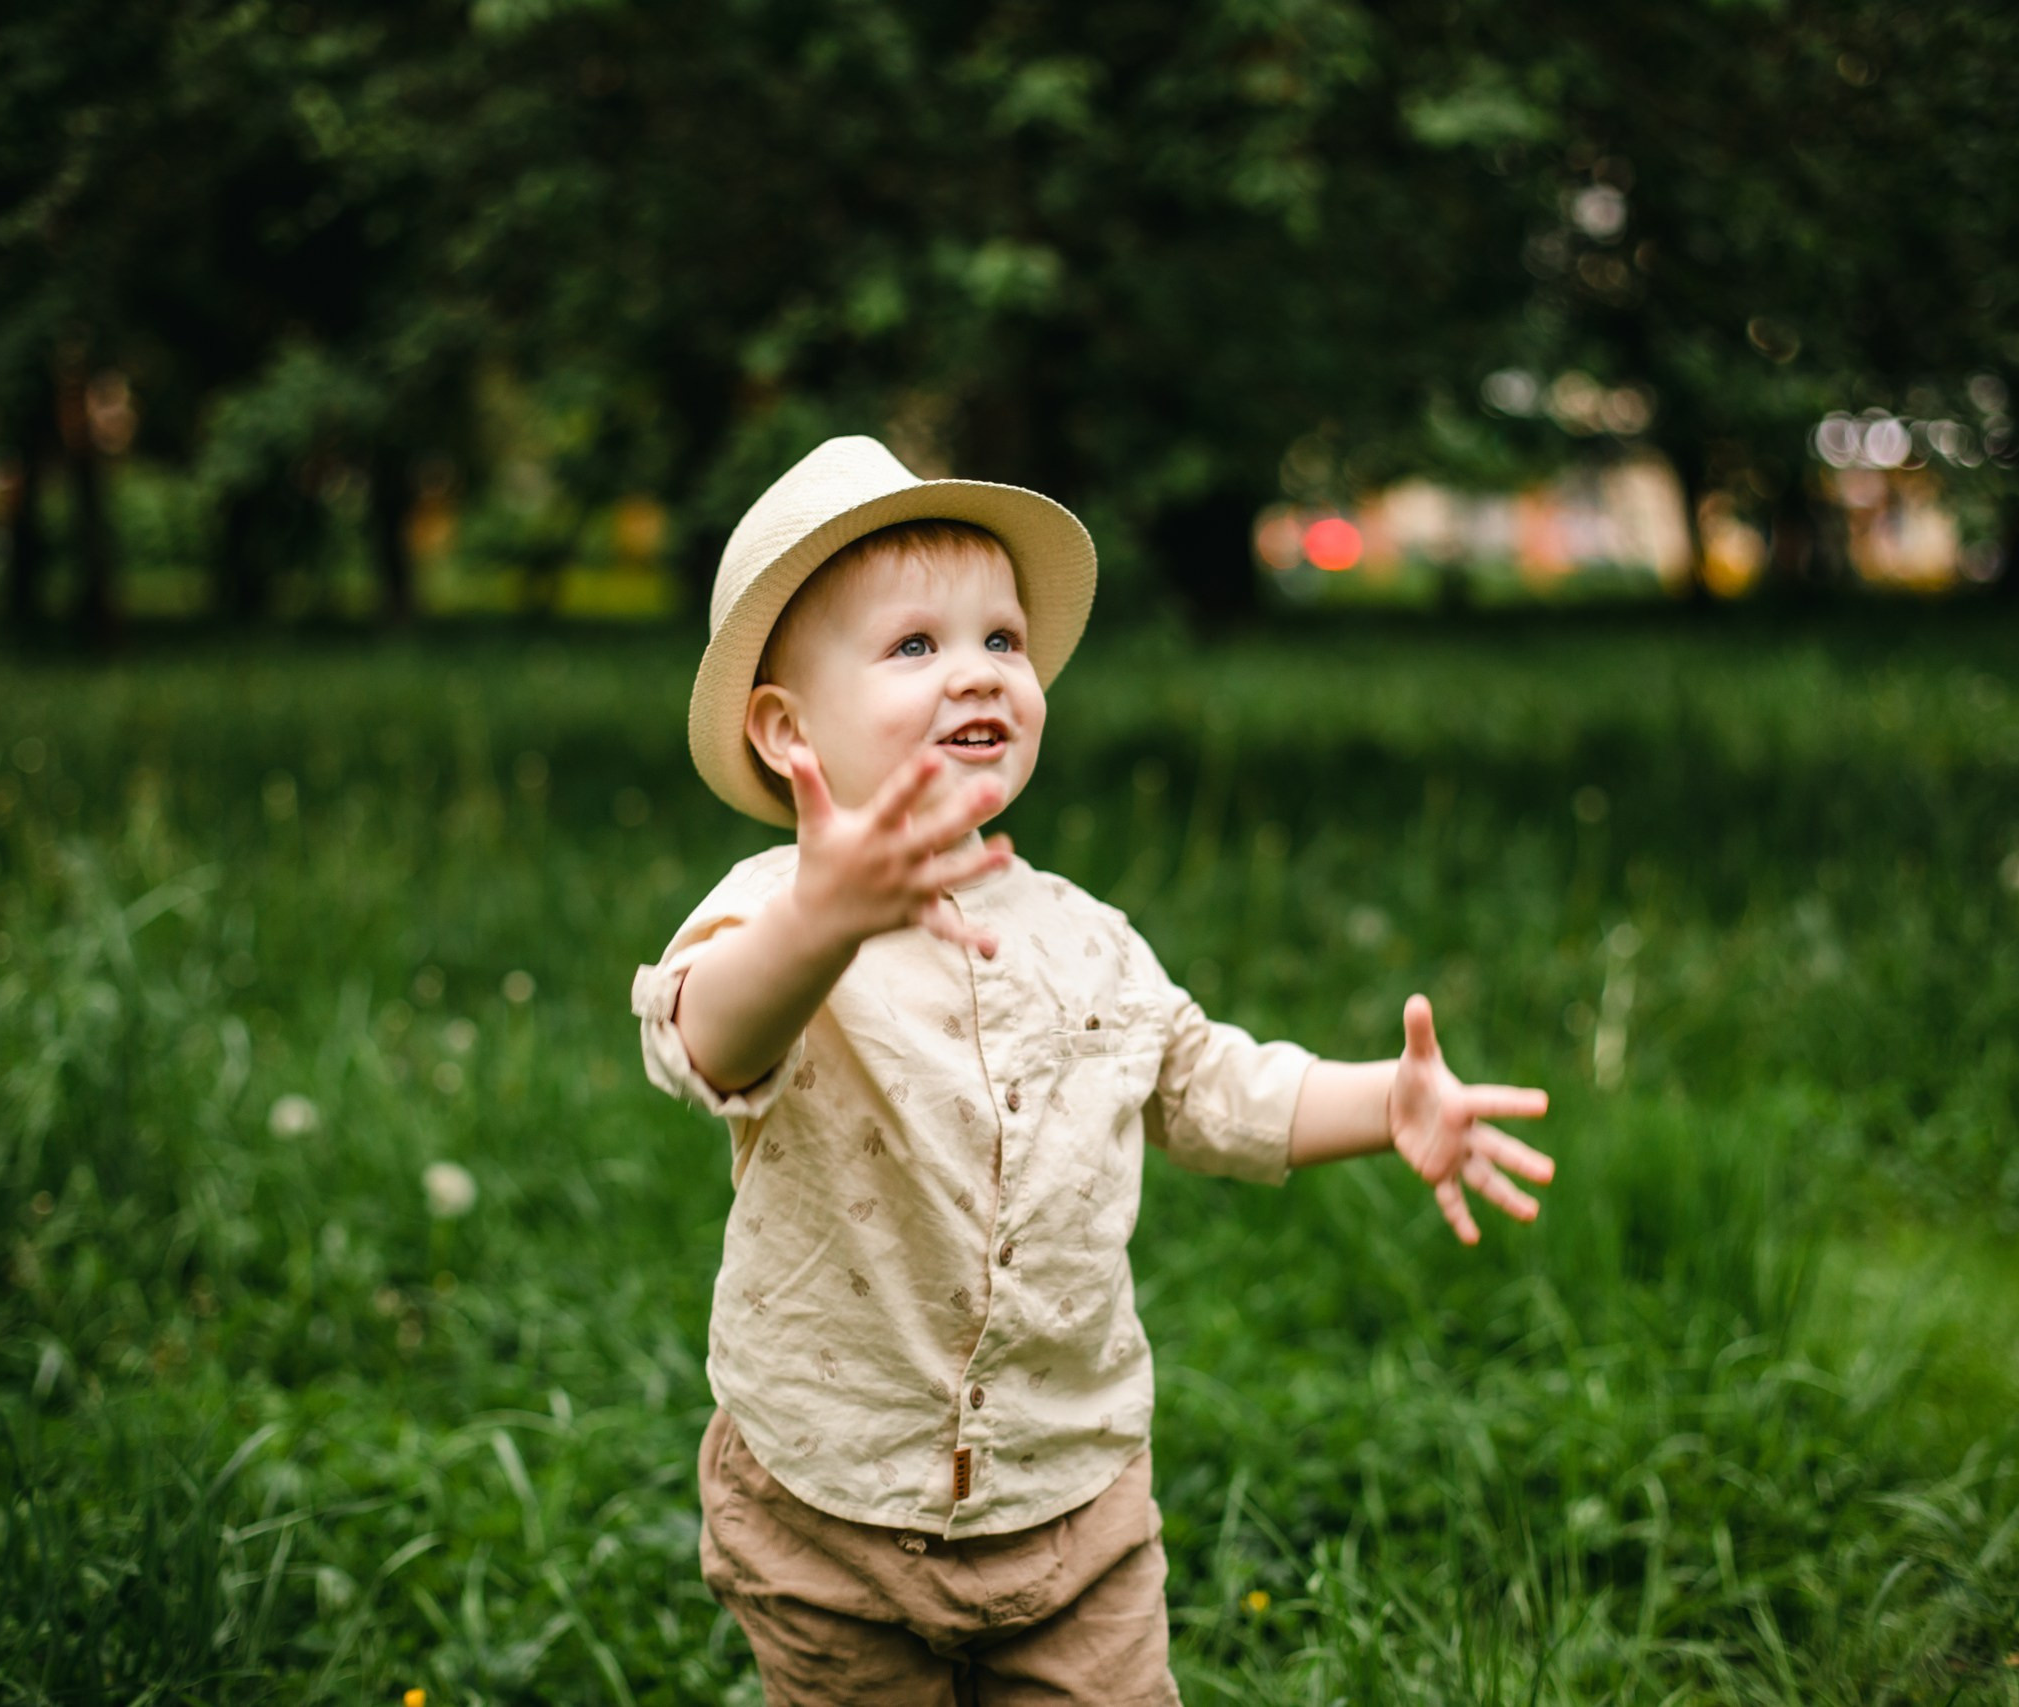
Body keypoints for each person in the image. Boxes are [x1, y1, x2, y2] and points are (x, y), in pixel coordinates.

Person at [632, 436, 1554, 1704]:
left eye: (1002, 641)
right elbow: (703, 1041)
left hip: (1071, 1502)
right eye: (915, 646)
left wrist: (1382, 1103)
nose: (979, 672)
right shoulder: (772, 920)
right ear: (788, 730)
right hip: (823, 1508)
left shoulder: (1086, 936)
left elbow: (1204, 1087)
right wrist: (825, 916)